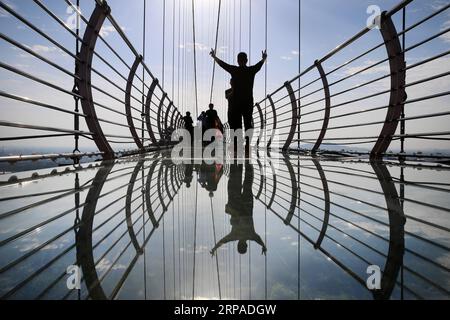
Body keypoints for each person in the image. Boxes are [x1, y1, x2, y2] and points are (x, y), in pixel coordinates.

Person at [210, 49, 267, 154]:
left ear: (237, 60)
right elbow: (260, 64)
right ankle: (247, 145)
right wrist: (263, 58)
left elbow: (223, 65)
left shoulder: (234, 70)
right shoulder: (251, 70)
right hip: (248, 102)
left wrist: (214, 56)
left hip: (236, 103)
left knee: (237, 125)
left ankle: (236, 145)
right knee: (248, 123)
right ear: (247, 60)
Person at [210, 161, 267, 256]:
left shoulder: (251, 235)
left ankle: (247, 159)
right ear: (238, 244)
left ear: (246, 245)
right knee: (235, 179)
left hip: (247, 204)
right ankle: (237, 156)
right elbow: (223, 241)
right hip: (236, 205)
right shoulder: (234, 236)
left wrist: (263, 246)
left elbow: (259, 240)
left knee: (248, 181)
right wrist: (214, 248)